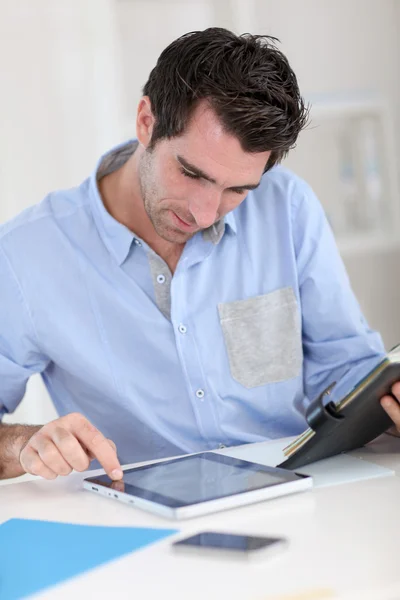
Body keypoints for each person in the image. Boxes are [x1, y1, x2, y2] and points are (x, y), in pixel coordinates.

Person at [1, 27, 399, 482]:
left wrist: (387, 403)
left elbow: (346, 366)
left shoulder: (287, 208)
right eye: (191, 173)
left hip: (297, 497)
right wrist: (22, 444)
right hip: (144, 527)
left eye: (238, 189)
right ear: (146, 122)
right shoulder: (25, 255)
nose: (206, 211)